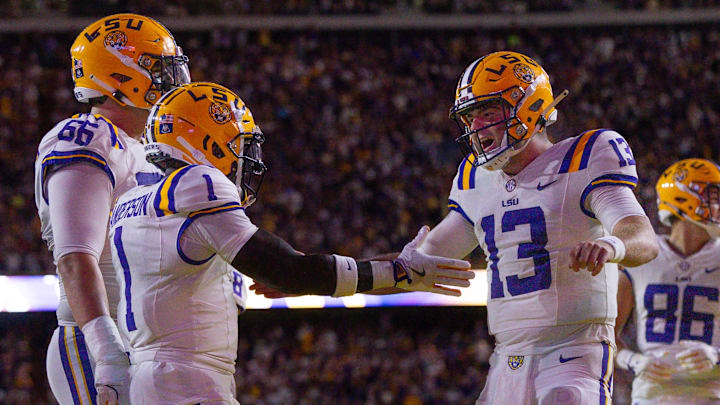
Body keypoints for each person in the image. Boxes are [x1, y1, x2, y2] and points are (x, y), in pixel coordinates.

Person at [108, 82, 474, 404]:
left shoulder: (135, 200)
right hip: (186, 381)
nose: (244, 157)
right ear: (204, 139)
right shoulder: (197, 183)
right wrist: (394, 272)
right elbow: (292, 271)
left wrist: (398, 269)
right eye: (238, 144)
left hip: (157, 376)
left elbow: (295, 269)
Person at [413, 51, 659, 404]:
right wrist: (350, 272)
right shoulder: (475, 179)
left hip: (575, 351)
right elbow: (424, 258)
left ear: (527, 106)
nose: (476, 129)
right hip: (507, 360)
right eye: (469, 117)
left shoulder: (585, 157)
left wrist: (611, 246)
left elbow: (643, 237)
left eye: (486, 112)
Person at [34, 13, 190, 405]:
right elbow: (75, 258)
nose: (171, 81)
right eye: (158, 69)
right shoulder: (87, 139)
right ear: (121, 76)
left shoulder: (145, 150)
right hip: (101, 345)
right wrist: (107, 352)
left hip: (148, 345)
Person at [615, 158, 720, 405]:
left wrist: (715, 355)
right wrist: (634, 360)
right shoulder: (644, 252)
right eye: (713, 197)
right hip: (651, 397)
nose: (718, 205)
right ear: (685, 198)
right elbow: (605, 336)